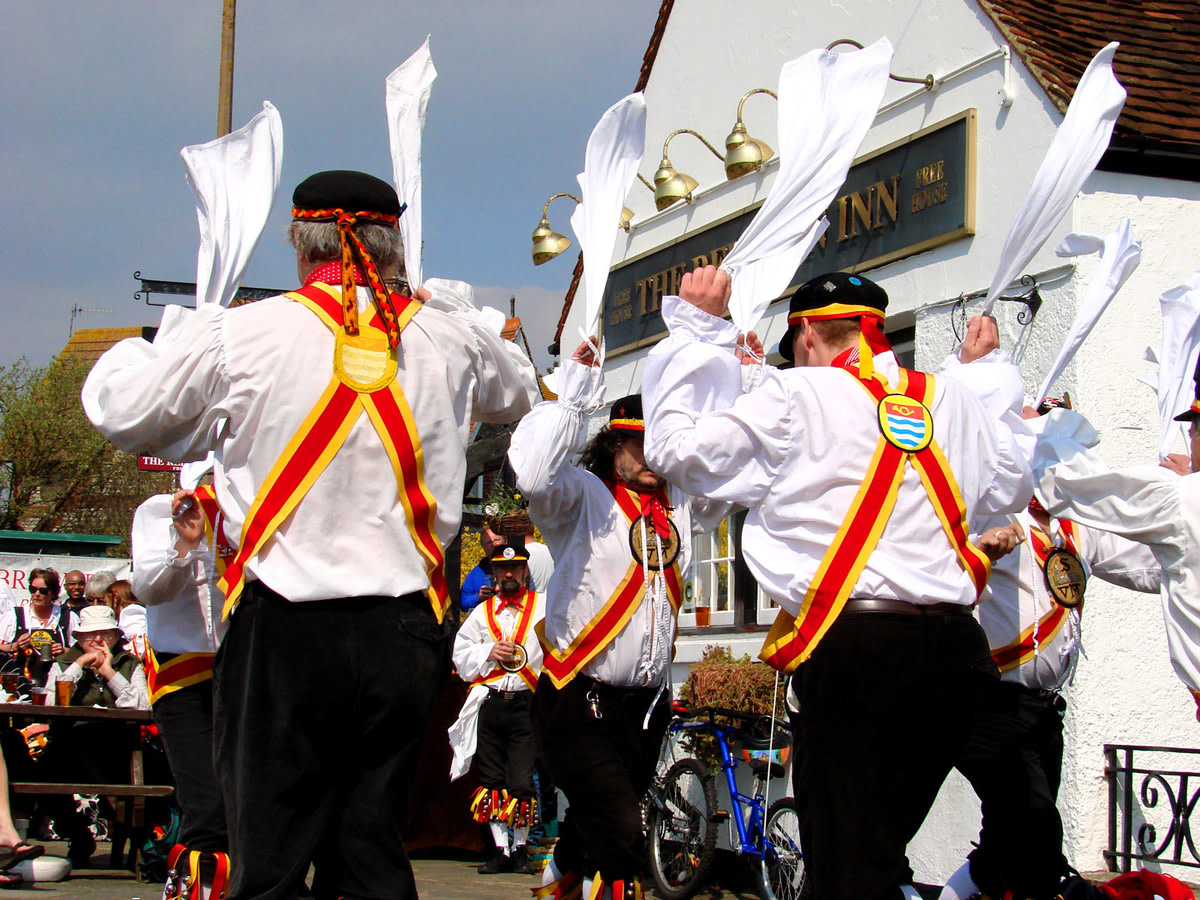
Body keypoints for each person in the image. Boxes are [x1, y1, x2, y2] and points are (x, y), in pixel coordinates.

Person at [82, 169, 538, 899]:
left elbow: (124, 412)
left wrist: (163, 341)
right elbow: (518, 387)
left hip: (285, 634)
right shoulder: (448, 339)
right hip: (401, 635)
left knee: (271, 853)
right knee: (369, 849)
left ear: (301, 241)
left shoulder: (244, 334)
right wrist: (448, 306)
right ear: (394, 246)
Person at [643, 267, 1033, 900]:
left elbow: (676, 450)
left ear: (804, 336)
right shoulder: (951, 399)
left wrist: (697, 332)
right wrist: (982, 374)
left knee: (850, 866)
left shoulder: (796, 396)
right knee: (877, 851)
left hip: (861, 654)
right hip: (959, 662)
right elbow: (1011, 484)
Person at [510, 345, 730, 900]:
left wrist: (734, 376)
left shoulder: (677, 507)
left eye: (661, 446)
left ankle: (560, 873)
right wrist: (575, 395)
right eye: (640, 444)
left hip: (645, 705)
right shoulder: (582, 497)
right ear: (614, 447)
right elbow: (534, 477)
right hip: (576, 698)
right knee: (623, 834)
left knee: (596, 824)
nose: (653, 456)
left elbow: (732, 475)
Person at [941, 400, 1162, 900]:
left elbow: (1147, 567)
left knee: (1005, 841)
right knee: (1036, 823)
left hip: (1042, 709)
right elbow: (941, 557)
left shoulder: (1072, 525)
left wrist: (1182, 503)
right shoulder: (991, 508)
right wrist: (982, 547)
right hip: (989, 703)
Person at [1030, 359, 1200, 721]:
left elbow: (1072, 485)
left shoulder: (1183, 497)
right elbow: (1157, 568)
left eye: (1194, 432)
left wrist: (1035, 435)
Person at [131, 486, 231, 899]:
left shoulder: (256, 507)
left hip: (244, 668)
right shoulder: (158, 510)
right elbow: (148, 591)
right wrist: (184, 546)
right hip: (181, 674)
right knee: (207, 807)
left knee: (257, 801)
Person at [449, 537, 545, 876]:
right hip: (490, 704)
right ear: (494, 572)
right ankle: (500, 851)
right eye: (502, 569)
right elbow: (460, 657)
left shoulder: (543, 607)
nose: (508, 574)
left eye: (514, 568)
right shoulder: (481, 614)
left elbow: (564, 645)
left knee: (521, 781)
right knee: (491, 779)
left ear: (524, 570)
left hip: (526, 705)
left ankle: (520, 849)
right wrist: (487, 653)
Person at [39, 604, 148, 865]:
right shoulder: (64, 663)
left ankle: (138, 847)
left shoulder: (128, 663)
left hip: (116, 748)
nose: (98, 641)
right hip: (68, 749)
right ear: (78, 638)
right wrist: (78, 665)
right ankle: (77, 833)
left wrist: (110, 672)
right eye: (91, 635)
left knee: (144, 775)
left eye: (105, 634)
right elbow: (49, 702)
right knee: (39, 777)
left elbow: (143, 705)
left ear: (115, 636)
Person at [0, 570, 76, 688]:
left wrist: (63, 651)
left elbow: (82, 652)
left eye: (43, 591)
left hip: (57, 687)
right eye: (33, 589)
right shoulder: (14, 616)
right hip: (20, 686)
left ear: (53, 593)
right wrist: (14, 647)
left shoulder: (67, 617)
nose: (36, 594)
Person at [109, 580, 146, 658]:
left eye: (105, 601)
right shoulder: (133, 610)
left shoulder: (130, 612)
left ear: (115, 597)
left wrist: (120, 657)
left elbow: (140, 645)